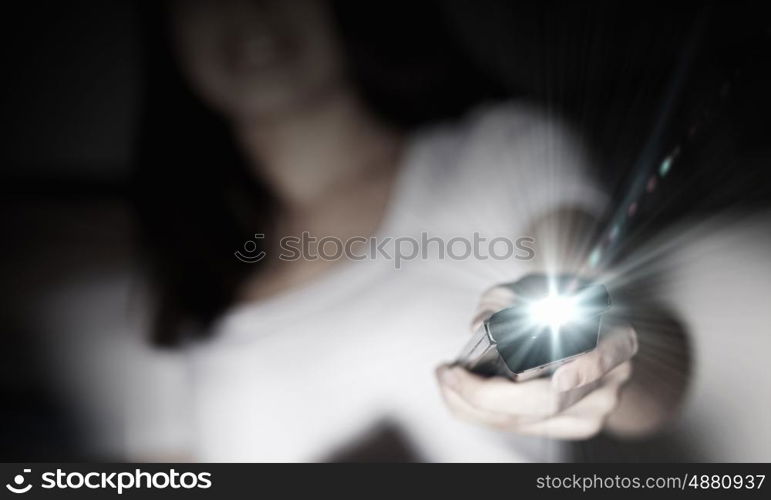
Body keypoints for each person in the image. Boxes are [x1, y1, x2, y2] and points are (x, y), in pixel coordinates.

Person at [127, 0, 687, 461]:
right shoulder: (175, 273)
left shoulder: (497, 153)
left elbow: (606, 306)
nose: (248, 11)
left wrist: (611, 359)